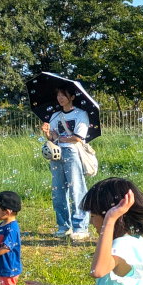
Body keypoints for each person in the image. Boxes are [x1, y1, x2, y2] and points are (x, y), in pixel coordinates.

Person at [42, 88, 91, 240]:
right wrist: (47, 133)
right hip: (56, 154)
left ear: (72, 97)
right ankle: (63, 226)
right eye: (58, 95)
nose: (60, 98)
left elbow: (77, 137)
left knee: (76, 189)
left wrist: (59, 138)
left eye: (63, 95)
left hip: (72, 153)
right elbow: (53, 137)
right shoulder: (56, 115)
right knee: (58, 191)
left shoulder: (80, 114)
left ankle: (80, 227)